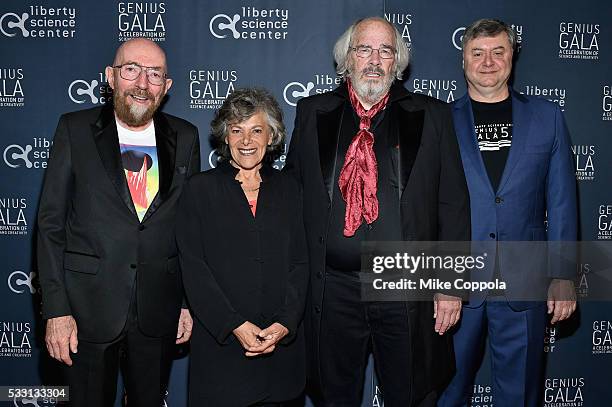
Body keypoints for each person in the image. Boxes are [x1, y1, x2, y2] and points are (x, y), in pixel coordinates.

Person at [284, 16, 471, 407]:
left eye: (385, 50)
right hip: (333, 287)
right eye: (364, 49)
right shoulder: (312, 112)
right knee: (335, 396)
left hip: (406, 287)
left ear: (397, 61)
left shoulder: (432, 115)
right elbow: (290, 196)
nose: (374, 59)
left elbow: (452, 202)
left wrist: (451, 284)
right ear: (347, 58)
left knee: (412, 393)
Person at [37, 38, 200, 406]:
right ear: (111, 77)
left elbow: (190, 229)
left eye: (155, 74)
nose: (143, 83)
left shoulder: (186, 136)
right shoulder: (74, 129)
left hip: (158, 310)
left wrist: (187, 303)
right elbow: (50, 225)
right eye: (132, 70)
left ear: (167, 86)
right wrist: (57, 309)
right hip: (85, 311)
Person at [438, 19, 577, 407]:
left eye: (498, 52)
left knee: (520, 395)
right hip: (456, 288)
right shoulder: (439, 119)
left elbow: (562, 199)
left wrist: (563, 274)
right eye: (478, 53)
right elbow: (427, 205)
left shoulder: (547, 116)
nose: (488, 62)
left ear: (512, 57)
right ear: (463, 60)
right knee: (447, 392)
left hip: (525, 282)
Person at [176, 88, 309, 407]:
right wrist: (234, 324)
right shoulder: (199, 190)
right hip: (222, 353)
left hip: (281, 356)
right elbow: (193, 268)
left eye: (256, 130)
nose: (246, 140)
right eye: (237, 130)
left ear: (272, 135)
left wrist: (285, 324)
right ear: (225, 136)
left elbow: (301, 263)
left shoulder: (290, 189)